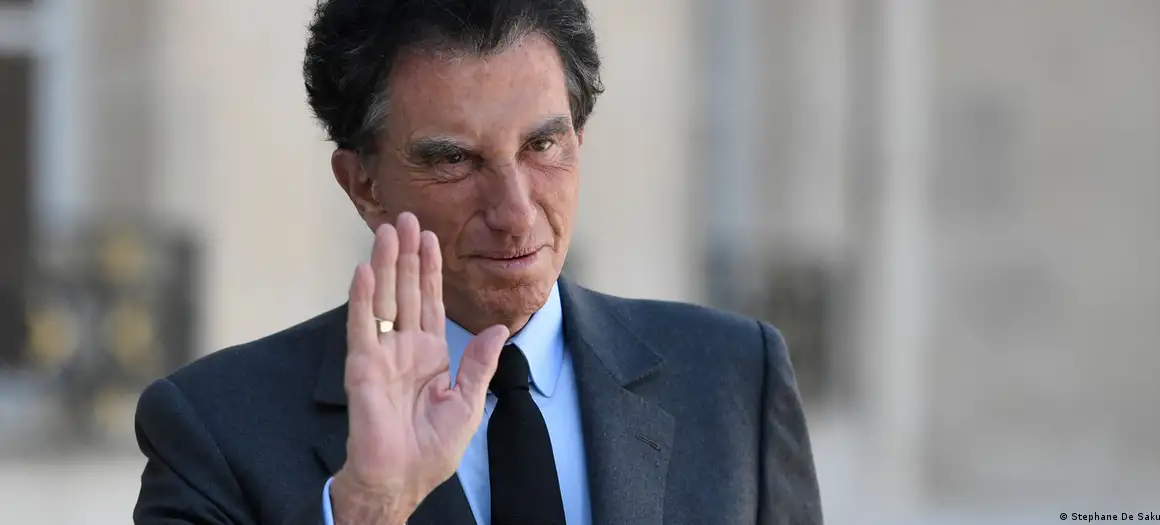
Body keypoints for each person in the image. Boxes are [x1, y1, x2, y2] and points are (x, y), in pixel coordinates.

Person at [132, 0, 823, 523]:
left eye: (542, 146)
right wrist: (369, 508)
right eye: (455, 160)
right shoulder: (210, 429)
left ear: (579, 138)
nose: (515, 211)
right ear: (363, 185)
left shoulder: (737, 377)